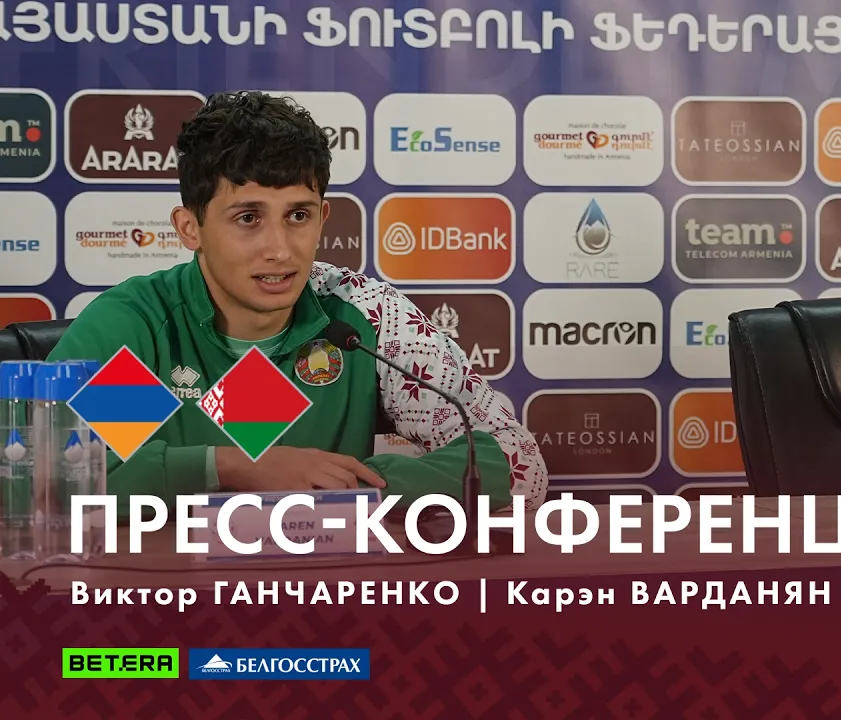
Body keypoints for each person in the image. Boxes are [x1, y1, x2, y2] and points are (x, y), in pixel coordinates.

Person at [48, 91, 548, 512]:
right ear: (190, 228)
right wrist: (233, 467)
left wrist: (345, 490)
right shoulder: (142, 326)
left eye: (298, 216)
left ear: (323, 217)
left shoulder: (364, 316)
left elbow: (517, 464)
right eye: (248, 218)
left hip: (329, 592)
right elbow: (57, 480)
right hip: (163, 592)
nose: (280, 249)